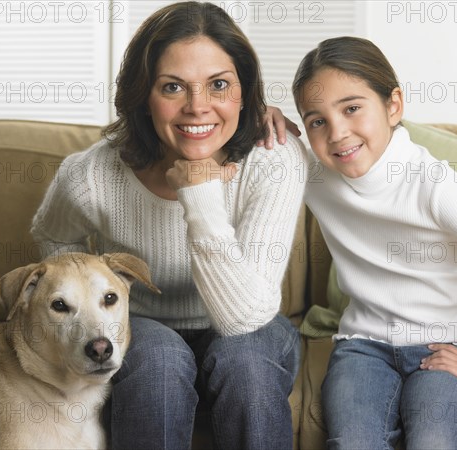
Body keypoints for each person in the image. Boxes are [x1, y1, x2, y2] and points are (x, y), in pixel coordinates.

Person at [31, 2, 306, 449]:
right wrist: (91, 307)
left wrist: (198, 194)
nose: (198, 108)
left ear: (244, 91)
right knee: (158, 357)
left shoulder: (274, 159)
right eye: (173, 87)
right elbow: (53, 235)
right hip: (143, 328)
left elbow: (245, 318)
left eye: (219, 85)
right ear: (144, 95)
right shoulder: (92, 175)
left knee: (246, 359)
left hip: (253, 330)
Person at [292, 36, 457, 450]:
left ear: (393, 105)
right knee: (351, 444)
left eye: (351, 108)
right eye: (317, 120)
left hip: (447, 343)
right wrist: (266, 117)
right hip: (363, 347)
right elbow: (245, 141)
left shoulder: (435, 187)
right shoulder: (313, 175)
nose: (337, 133)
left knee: (434, 442)